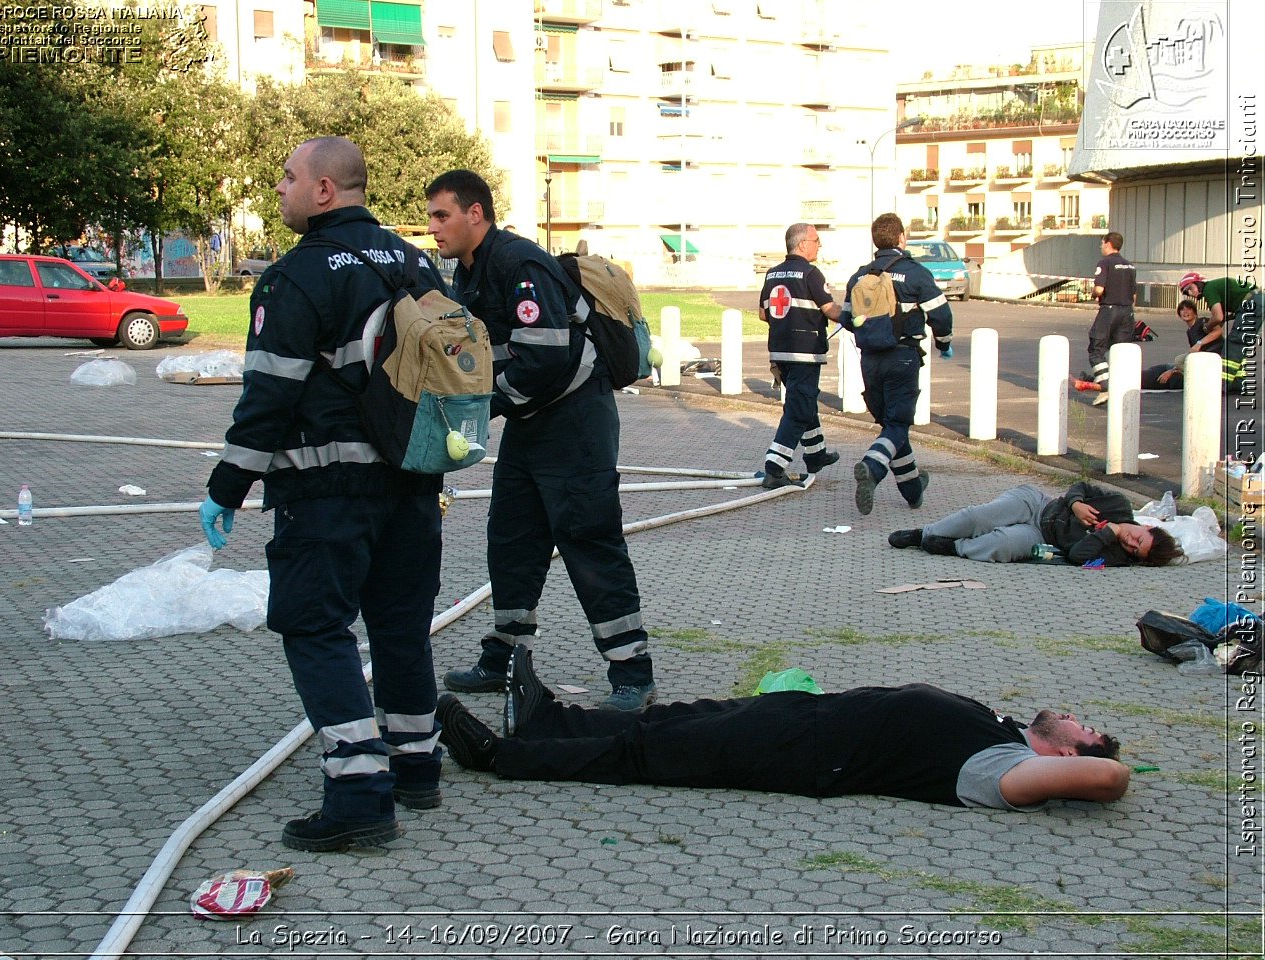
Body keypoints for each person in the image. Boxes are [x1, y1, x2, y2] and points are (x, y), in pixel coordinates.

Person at [199, 136, 450, 853]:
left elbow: (269, 396)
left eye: (287, 177)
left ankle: (358, 792)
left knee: (314, 627)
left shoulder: (297, 275)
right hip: (412, 479)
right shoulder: (416, 262)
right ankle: (416, 765)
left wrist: (226, 486)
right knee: (401, 625)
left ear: (324, 191)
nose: (278, 188)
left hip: (326, 486)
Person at [424, 169, 657, 712]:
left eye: (442, 215)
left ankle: (632, 672)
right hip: (533, 424)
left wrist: (483, 409)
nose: (433, 227)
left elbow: (547, 356)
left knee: (588, 540)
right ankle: (504, 657)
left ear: (474, 213)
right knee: (511, 539)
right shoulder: (470, 270)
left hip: (576, 424)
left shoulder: (518, 263)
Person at [434, 646, 1130, 811]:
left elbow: (1106, 777)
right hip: (807, 717)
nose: (1073, 712)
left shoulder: (1002, 767)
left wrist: (1115, 770)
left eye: (1082, 725)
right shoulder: (1001, 727)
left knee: (651, 751)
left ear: (1068, 747)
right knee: (674, 719)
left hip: (807, 755)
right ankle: (545, 717)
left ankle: (500, 757)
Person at [837, 212, 953, 515]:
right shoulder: (915, 273)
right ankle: (872, 468)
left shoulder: (860, 276)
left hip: (870, 361)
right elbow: (941, 315)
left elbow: (848, 319)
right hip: (902, 357)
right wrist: (944, 343)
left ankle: (913, 489)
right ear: (901, 238)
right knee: (898, 424)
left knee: (891, 426)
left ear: (876, 240)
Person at [888, 480, 1183, 566]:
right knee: (977, 517)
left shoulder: (1115, 553)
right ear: (1147, 528)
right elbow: (1080, 486)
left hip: (1042, 538)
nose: (1131, 544)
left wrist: (1109, 532)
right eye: (1138, 540)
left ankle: (952, 547)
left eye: (1135, 551)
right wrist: (1076, 504)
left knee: (1001, 544)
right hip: (1039, 504)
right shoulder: (1118, 504)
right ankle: (921, 534)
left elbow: (1078, 556)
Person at [757, 223, 842, 489]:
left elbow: (763, 313)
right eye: (816, 240)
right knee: (798, 409)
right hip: (805, 353)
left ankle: (816, 454)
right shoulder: (811, 273)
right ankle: (775, 466)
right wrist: (855, 317)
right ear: (803, 244)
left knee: (803, 401)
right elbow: (830, 309)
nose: (820, 245)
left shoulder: (771, 274)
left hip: (780, 353)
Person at [1085, 232, 1137, 407]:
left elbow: (1099, 289)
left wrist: (1092, 294)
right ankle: (1121, 390)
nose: (1101, 247)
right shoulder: (1130, 266)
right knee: (1120, 351)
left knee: (1096, 349)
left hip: (1109, 310)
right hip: (1127, 312)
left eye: (1102, 243)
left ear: (1108, 244)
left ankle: (1106, 387)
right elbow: (1134, 296)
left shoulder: (1105, 263)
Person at [1142, 299, 1223, 389]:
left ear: (1195, 312)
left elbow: (1218, 331)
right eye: (1182, 310)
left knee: (1179, 360)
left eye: (1188, 309)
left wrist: (1199, 343)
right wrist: (1173, 370)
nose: (1185, 312)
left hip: (1213, 359)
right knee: (1174, 363)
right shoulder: (1190, 331)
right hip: (1199, 361)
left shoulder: (1203, 322)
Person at [1178, 271, 1256, 334]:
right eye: (1187, 293)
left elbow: (1218, 317)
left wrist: (1206, 327)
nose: (1190, 293)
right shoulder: (1214, 288)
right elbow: (1221, 318)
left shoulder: (1208, 289)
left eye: (1190, 288)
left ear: (1198, 283)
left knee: (1236, 343)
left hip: (1254, 301)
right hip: (1253, 301)